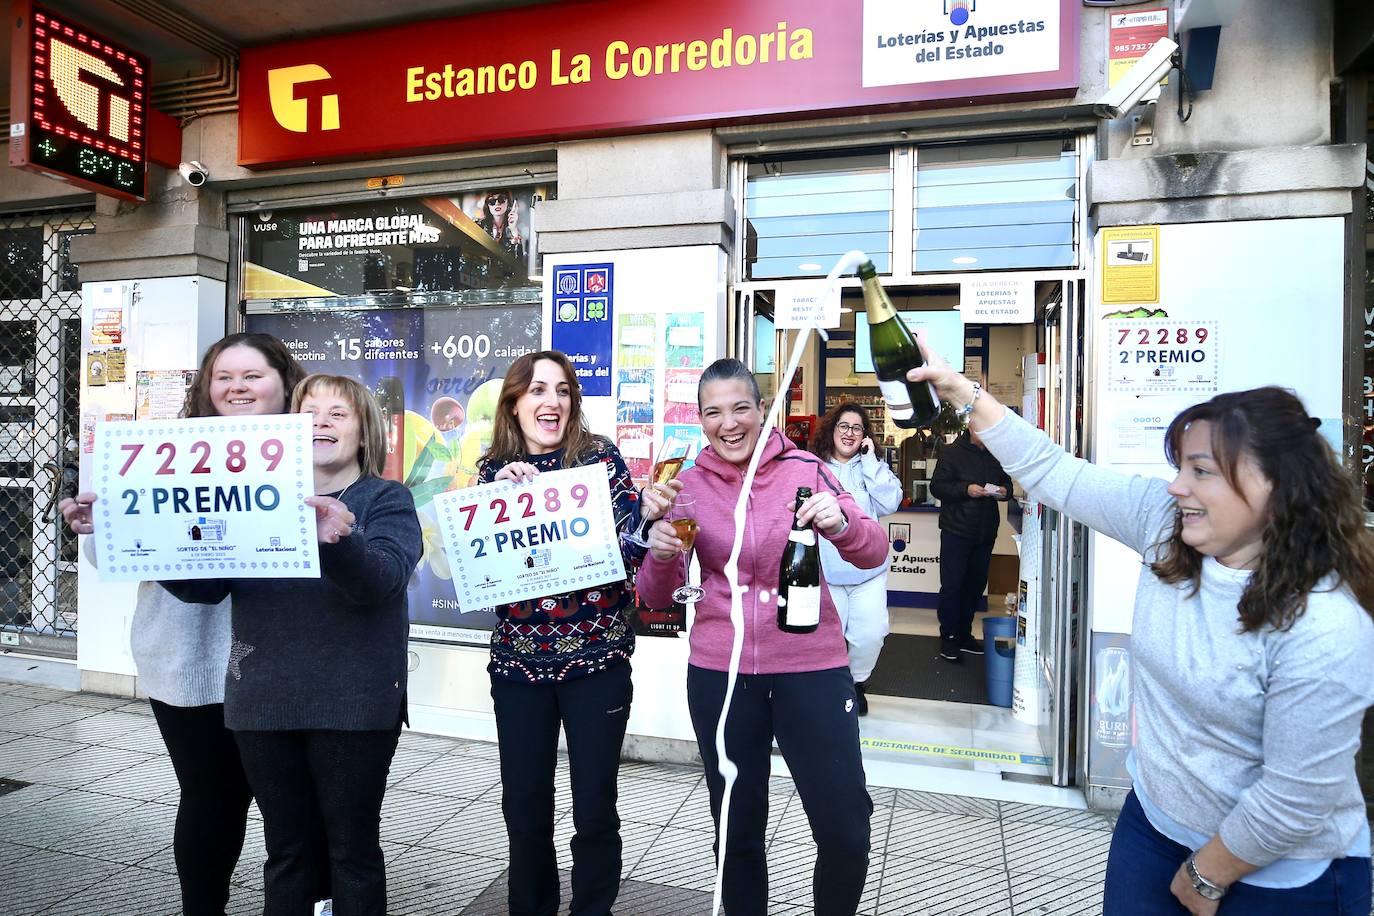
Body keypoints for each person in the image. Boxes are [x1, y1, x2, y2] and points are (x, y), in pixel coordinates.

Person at [905, 357, 1374, 915]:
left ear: (1277, 486)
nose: (1176, 486)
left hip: (1283, 875)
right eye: (1180, 468)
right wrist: (963, 392)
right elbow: (1054, 470)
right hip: (1152, 826)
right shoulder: (1164, 524)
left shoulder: (1322, 623)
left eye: (1202, 471)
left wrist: (1206, 874)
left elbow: (1298, 797)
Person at [58, 332, 331, 916]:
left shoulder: (316, 452)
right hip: (188, 657)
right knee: (212, 797)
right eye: (223, 377)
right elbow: (125, 556)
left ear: (284, 382)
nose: (236, 387)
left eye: (252, 376)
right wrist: (95, 528)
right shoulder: (162, 453)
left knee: (298, 804)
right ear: (206, 389)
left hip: (287, 662)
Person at [161, 374, 422, 916]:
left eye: (338, 414)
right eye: (309, 412)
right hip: (262, 701)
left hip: (353, 704)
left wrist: (339, 539)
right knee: (286, 851)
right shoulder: (254, 498)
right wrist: (130, 540)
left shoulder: (386, 499)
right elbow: (203, 589)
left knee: (351, 851)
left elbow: (382, 582)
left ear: (364, 430)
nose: (321, 423)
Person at [636, 358, 888, 916]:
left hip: (812, 667)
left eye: (741, 408)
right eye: (713, 412)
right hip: (721, 675)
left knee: (846, 828)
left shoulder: (806, 469)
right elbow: (656, 597)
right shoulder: (685, 485)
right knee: (736, 832)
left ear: (761, 408)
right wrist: (656, 552)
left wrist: (842, 524)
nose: (729, 423)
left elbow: (872, 551)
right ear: (700, 419)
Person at [475, 350, 664, 916]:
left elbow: (631, 548)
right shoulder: (492, 472)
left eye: (561, 390)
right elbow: (481, 569)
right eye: (536, 390)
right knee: (525, 806)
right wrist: (496, 501)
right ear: (515, 402)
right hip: (519, 668)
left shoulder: (600, 460)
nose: (550, 401)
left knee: (595, 806)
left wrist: (650, 523)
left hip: (596, 664)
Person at [808, 402, 902, 714]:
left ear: (865, 435)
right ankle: (833, 688)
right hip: (828, 572)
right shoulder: (813, 466)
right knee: (828, 638)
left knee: (870, 634)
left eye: (857, 428)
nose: (849, 433)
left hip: (868, 573)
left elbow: (890, 502)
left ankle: (858, 683)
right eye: (843, 427)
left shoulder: (871, 466)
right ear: (831, 430)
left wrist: (871, 460)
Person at [928, 424, 1013, 663]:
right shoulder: (951, 452)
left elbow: (1007, 487)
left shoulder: (995, 453)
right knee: (953, 586)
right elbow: (938, 487)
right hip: (957, 530)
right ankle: (949, 637)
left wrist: (1002, 491)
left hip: (985, 532)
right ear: (971, 428)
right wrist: (966, 489)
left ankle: (964, 634)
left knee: (975, 586)